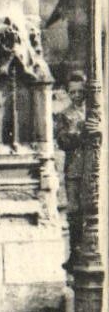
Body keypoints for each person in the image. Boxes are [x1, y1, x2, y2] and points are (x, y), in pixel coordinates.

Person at [54, 72, 87, 269]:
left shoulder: (95, 112)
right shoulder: (65, 115)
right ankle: (75, 253)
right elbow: (62, 141)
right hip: (74, 169)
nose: (76, 96)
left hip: (93, 168)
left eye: (80, 91)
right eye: (72, 92)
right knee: (74, 210)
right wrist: (78, 133)